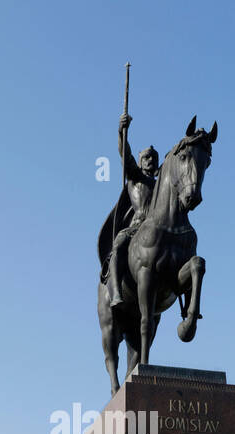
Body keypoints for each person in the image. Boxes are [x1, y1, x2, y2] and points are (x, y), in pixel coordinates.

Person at [101, 112, 161, 311]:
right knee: (118, 246)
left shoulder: (162, 184)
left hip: (159, 229)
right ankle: (117, 291)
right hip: (136, 227)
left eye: (153, 158)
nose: (150, 160)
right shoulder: (135, 177)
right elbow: (125, 155)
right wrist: (122, 132)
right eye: (146, 157)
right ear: (141, 162)